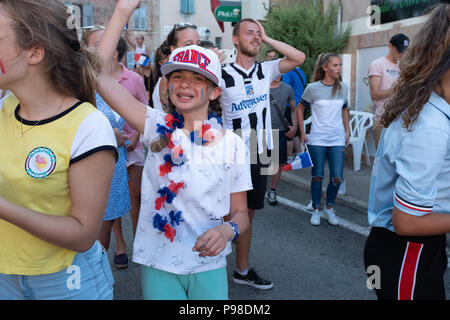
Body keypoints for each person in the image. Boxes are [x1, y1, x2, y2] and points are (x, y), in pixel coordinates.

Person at [96, 0, 252, 300]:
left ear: (215, 91)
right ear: (167, 85)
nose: (184, 84)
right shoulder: (155, 125)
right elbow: (101, 77)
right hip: (159, 262)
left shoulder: (232, 143)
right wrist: (122, 11)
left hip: (208, 264)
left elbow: (241, 213)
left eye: (197, 79)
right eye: (177, 76)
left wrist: (227, 231)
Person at [0, 0, 117, 299]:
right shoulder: (5, 107)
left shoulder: (89, 127)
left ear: (35, 52)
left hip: (68, 282)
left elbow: (82, 234)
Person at [364, 3, 450, 300]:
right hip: (406, 250)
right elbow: (408, 222)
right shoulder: (431, 126)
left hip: (408, 249)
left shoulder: (430, 110)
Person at [220, 18, 305, 289]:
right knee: (222, 212)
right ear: (235, 40)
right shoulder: (222, 73)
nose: (256, 38)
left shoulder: (267, 69)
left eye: (259, 34)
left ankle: (242, 270)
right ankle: (210, 268)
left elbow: (299, 57)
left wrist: (267, 38)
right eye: (250, 33)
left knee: (250, 214)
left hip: (261, 146)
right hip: (231, 148)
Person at [82, 29, 140, 269]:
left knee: (101, 235)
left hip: (114, 166)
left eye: (109, 43)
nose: (104, 48)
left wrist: (126, 138)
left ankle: (99, 277)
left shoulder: (112, 86)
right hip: (85, 169)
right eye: (97, 44)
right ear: (83, 49)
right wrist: (108, 136)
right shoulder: (75, 83)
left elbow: (141, 117)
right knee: (82, 235)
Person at [298, 53, 350, 227]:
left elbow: (344, 109)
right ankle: (317, 209)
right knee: (317, 176)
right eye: (335, 65)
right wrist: (302, 132)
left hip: (337, 138)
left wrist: (347, 131)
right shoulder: (312, 88)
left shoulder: (343, 87)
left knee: (337, 177)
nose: (338, 68)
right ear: (325, 67)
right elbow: (299, 109)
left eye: (340, 65)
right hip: (318, 138)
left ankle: (330, 207)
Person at [368, 33, 409, 147]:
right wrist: (397, 89)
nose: (402, 54)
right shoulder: (377, 64)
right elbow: (374, 94)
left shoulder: (402, 66)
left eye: (404, 50)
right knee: (381, 159)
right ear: (390, 46)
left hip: (399, 118)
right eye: (400, 50)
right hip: (383, 118)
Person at [152, 23, 200, 112]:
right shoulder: (167, 79)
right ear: (173, 50)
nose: (196, 49)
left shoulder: (201, 73)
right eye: (189, 45)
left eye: (198, 44)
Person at [267, 75, 297, 205]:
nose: (278, 74)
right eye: (275, 71)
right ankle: (257, 190)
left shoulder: (287, 88)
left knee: (277, 164)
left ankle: (272, 190)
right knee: (261, 165)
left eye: (281, 72)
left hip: (279, 130)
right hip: (262, 130)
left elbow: (294, 109)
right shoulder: (261, 87)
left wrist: (294, 127)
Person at [282, 65, 307, 162]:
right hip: (300, 104)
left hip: (290, 105)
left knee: (289, 133)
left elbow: (284, 87)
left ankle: (289, 159)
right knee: (295, 133)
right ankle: (300, 157)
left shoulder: (289, 73)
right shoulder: (300, 71)